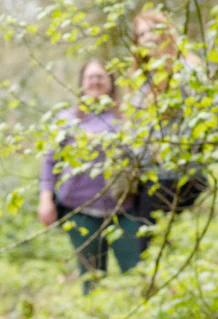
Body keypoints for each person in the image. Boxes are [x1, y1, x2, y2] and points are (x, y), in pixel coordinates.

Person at [39, 59, 144, 294]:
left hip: (123, 210)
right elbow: (50, 161)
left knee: (137, 275)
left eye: (101, 77)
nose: (95, 82)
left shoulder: (127, 119)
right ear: (82, 83)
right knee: (92, 278)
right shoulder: (67, 120)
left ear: (111, 84)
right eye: (90, 77)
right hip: (80, 212)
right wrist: (45, 199)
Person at [128, 10, 209, 219]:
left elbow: (207, 116)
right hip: (148, 179)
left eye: (152, 31)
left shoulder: (187, 70)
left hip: (179, 178)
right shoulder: (142, 79)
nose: (147, 38)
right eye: (141, 34)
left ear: (166, 33)